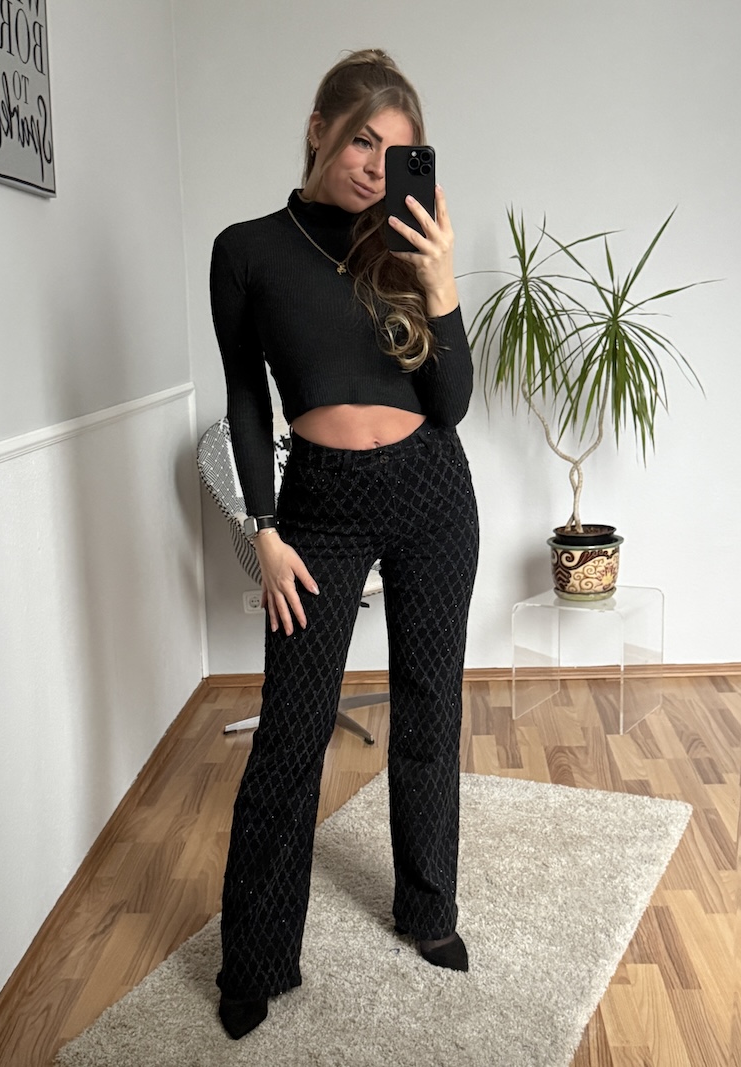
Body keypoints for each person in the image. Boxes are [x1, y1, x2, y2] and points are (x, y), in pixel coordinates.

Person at [209, 48, 479, 1040]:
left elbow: (450, 402)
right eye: (363, 139)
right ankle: (256, 956)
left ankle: (428, 907)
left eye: (396, 150)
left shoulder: (403, 247)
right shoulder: (246, 250)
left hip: (432, 489)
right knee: (292, 728)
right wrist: (264, 529)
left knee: (428, 706)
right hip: (318, 504)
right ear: (318, 127)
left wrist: (440, 283)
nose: (374, 165)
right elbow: (246, 400)